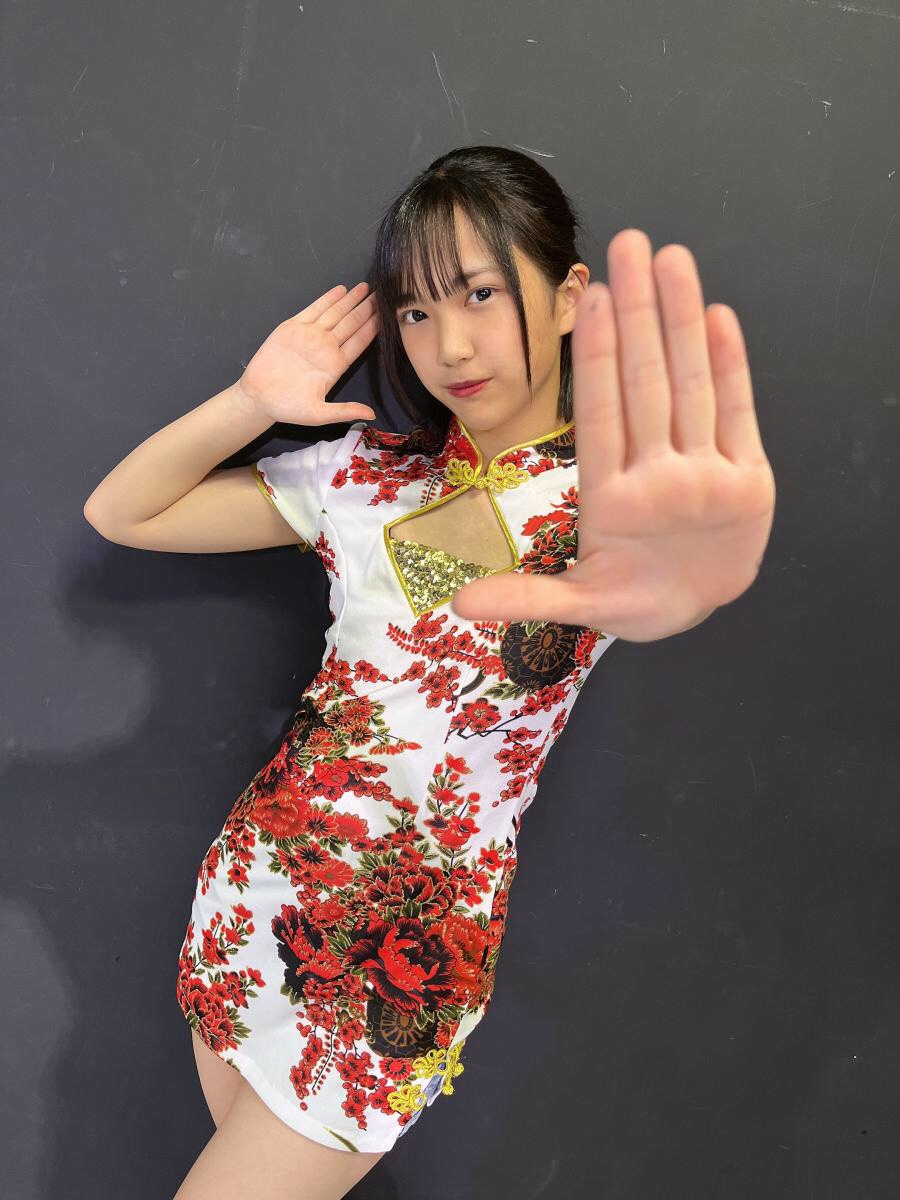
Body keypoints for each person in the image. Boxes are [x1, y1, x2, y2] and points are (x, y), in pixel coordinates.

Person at [83, 146, 775, 1200]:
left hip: (401, 964)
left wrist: (685, 591)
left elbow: (661, 587)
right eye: (415, 309)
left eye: (481, 294)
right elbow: (124, 512)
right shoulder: (365, 474)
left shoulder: (614, 507)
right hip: (259, 893)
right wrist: (252, 398)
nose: (449, 344)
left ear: (567, 298)